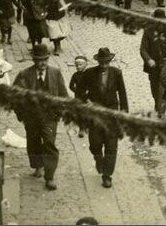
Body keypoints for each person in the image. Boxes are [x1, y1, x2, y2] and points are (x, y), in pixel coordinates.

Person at [12, 43, 69, 190]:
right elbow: (14, 96)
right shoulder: (24, 75)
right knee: (33, 143)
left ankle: (49, 177)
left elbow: (63, 94)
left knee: (49, 143)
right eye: (39, 60)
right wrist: (21, 115)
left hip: (50, 117)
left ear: (48, 59)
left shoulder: (55, 73)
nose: (42, 63)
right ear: (33, 60)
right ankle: (37, 166)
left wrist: (61, 112)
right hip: (31, 117)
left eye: (45, 59)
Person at [76, 47, 128, 188]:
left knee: (111, 146)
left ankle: (107, 175)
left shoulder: (116, 73)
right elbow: (79, 90)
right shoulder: (89, 73)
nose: (104, 65)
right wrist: (86, 101)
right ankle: (98, 158)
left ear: (110, 61)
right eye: (102, 62)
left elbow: (122, 94)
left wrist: (124, 114)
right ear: (98, 61)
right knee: (95, 144)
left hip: (112, 114)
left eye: (106, 62)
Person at [140, 9, 166, 118]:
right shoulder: (148, 31)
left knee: (163, 91)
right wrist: (148, 60)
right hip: (153, 67)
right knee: (155, 91)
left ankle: (162, 114)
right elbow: (143, 49)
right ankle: (158, 107)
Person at [69, 55, 89, 138]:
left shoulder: (89, 74)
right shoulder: (75, 75)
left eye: (80, 65)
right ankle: (81, 128)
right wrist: (76, 91)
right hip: (78, 97)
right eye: (76, 65)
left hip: (87, 97)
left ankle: (87, 125)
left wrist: (89, 91)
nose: (78, 67)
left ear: (85, 65)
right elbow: (71, 85)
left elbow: (93, 84)